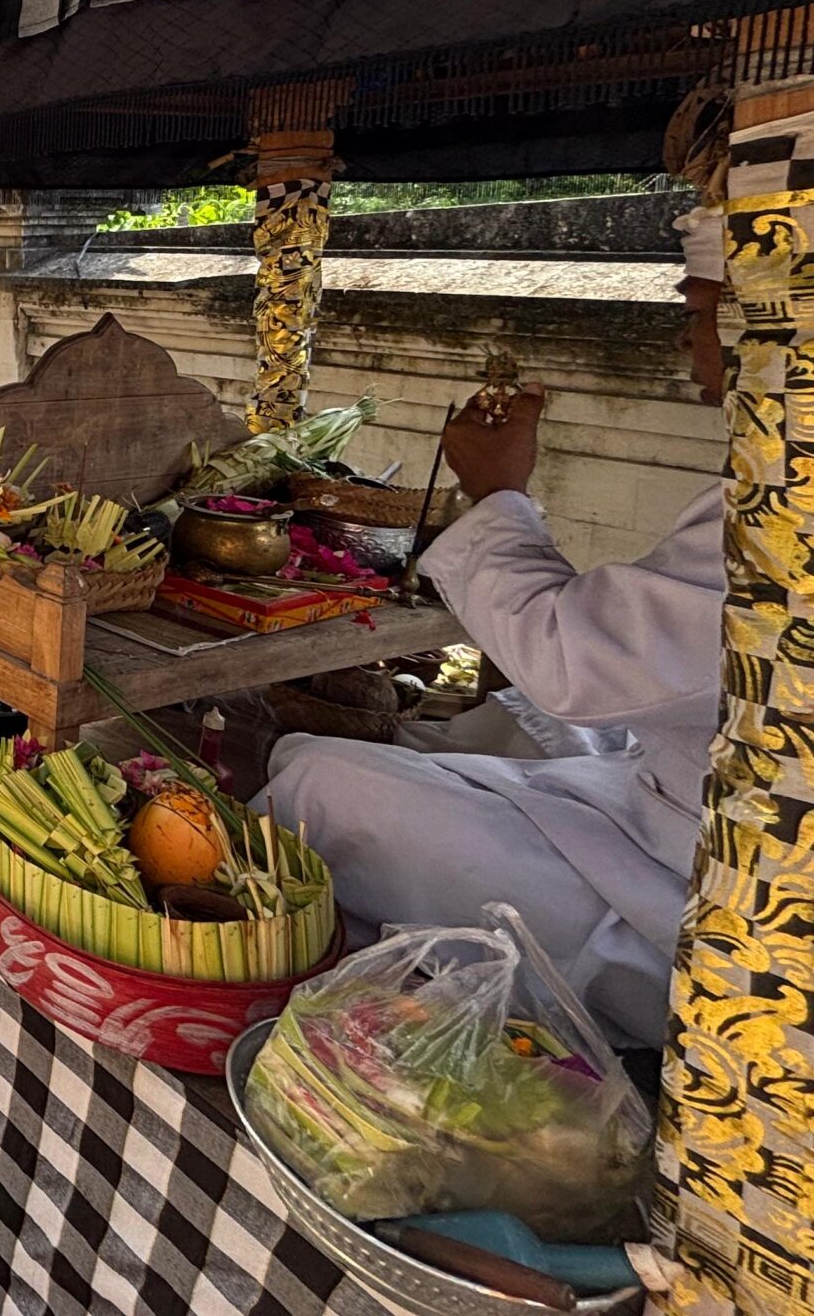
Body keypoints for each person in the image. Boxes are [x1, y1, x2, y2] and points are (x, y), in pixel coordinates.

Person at [262, 209, 726, 1046]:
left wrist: (498, 493)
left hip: (689, 904)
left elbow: (576, 664)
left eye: (697, 308)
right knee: (454, 737)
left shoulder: (786, 507)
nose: (684, 320)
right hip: (654, 797)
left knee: (316, 784)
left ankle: (320, 979)